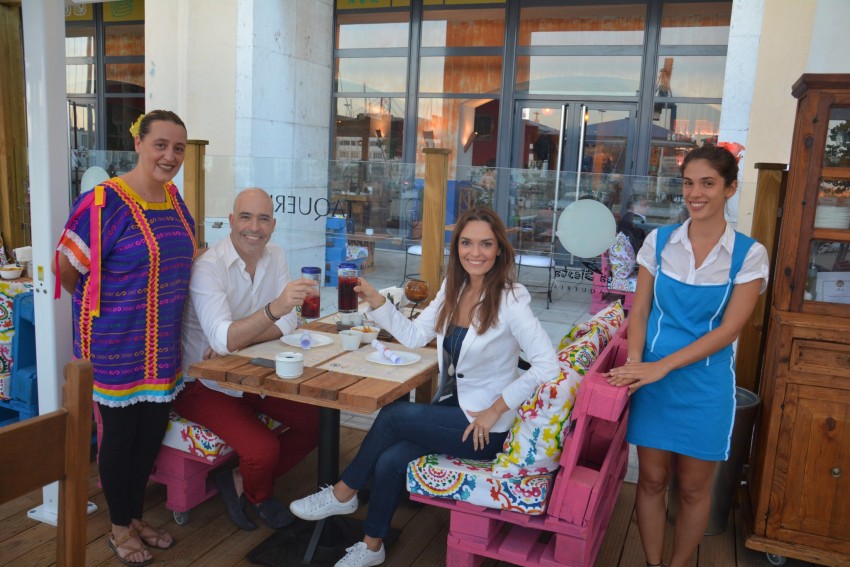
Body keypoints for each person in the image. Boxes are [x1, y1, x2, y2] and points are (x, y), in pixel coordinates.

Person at [289, 206, 559, 567]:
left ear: (498, 250)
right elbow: (416, 336)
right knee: (390, 459)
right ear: (457, 247)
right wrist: (377, 303)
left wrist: (496, 408)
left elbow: (547, 364)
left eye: (485, 244)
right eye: (467, 243)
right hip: (452, 411)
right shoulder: (454, 287)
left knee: (394, 415)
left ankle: (343, 492)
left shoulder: (511, 299)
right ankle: (372, 546)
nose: (475, 252)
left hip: (484, 428)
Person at [606, 144, 769, 567]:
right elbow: (640, 309)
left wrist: (661, 367)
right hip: (652, 381)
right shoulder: (659, 243)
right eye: (689, 183)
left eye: (708, 183)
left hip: (705, 387)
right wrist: (637, 363)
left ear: (730, 188)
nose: (695, 194)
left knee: (695, 489)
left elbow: (729, 330)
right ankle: (653, 563)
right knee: (651, 481)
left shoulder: (749, 254)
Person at [55, 110, 196, 566]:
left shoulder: (174, 199)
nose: (170, 156)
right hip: (115, 346)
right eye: (161, 145)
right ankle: (119, 529)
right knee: (118, 438)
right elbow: (67, 269)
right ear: (138, 143)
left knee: (150, 434)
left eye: (178, 148)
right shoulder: (104, 202)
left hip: (161, 346)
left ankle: (134, 517)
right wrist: (110, 310)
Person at [176, 187, 320, 531]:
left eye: (263, 219)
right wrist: (271, 311)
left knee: (318, 422)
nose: (254, 227)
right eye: (245, 217)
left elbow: (288, 324)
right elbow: (225, 337)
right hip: (202, 384)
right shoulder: (209, 267)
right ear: (230, 220)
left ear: (274, 225)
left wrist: (239, 340)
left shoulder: (276, 255)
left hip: (251, 374)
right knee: (263, 450)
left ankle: (239, 479)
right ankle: (260, 497)